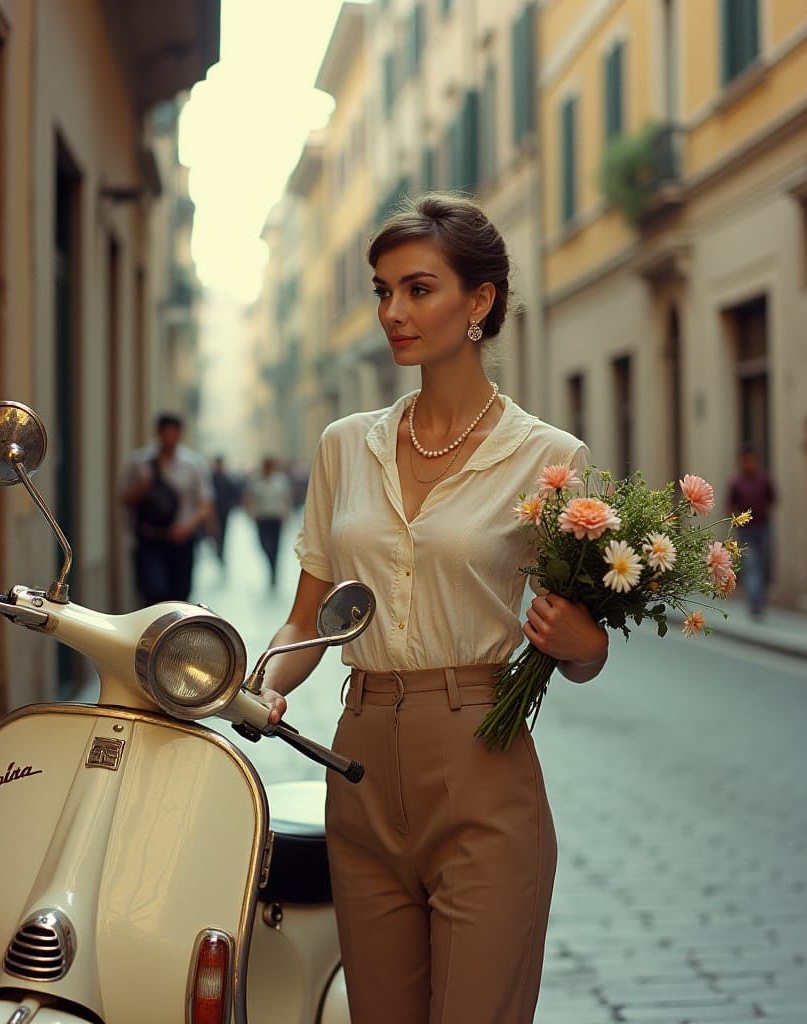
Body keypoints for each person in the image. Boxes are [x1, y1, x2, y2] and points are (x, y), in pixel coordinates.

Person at [251, 194, 609, 1023]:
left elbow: (583, 652)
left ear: (478, 301)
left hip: (481, 759)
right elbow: (309, 619)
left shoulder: (552, 461)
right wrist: (261, 679)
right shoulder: (346, 443)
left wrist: (584, 642)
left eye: (418, 289)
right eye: (382, 291)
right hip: (360, 763)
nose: (392, 313)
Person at [119, 413, 214, 606]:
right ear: (158, 433)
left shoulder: (192, 464)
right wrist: (142, 488)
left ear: (180, 435)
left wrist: (187, 527)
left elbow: (206, 504)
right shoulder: (140, 462)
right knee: (153, 592)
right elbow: (124, 499)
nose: (169, 438)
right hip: (150, 539)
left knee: (180, 594)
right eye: (165, 433)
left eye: (173, 433)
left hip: (182, 540)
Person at [728, 444, 777, 616]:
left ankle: (759, 598)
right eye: (746, 460)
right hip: (746, 530)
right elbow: (731, 504)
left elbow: (772, 498)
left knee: (762, 564)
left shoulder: (764, 479)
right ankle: (754, 601)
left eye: (751, 460)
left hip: (763, 527)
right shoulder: (737, 482)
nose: (749, 463)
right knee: (751, 564)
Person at [243, 456, 293, 587]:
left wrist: (286, 513)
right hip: (262, 518)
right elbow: (249, 497)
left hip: (275, 518)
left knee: (275, 546)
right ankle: (270, 563)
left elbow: (286, 497)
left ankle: (274, 571)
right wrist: (250, 512)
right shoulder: (256, 480)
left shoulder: (280, 480)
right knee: (263, 544)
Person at [209, 454, 242, 573]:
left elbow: (233, 494)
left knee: (223, 534)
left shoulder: (226, 478)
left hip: (224, 512)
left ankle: (221, 552)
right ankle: (219, 552)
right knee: (214, 534)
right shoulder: (210, 478)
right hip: (213, 512)